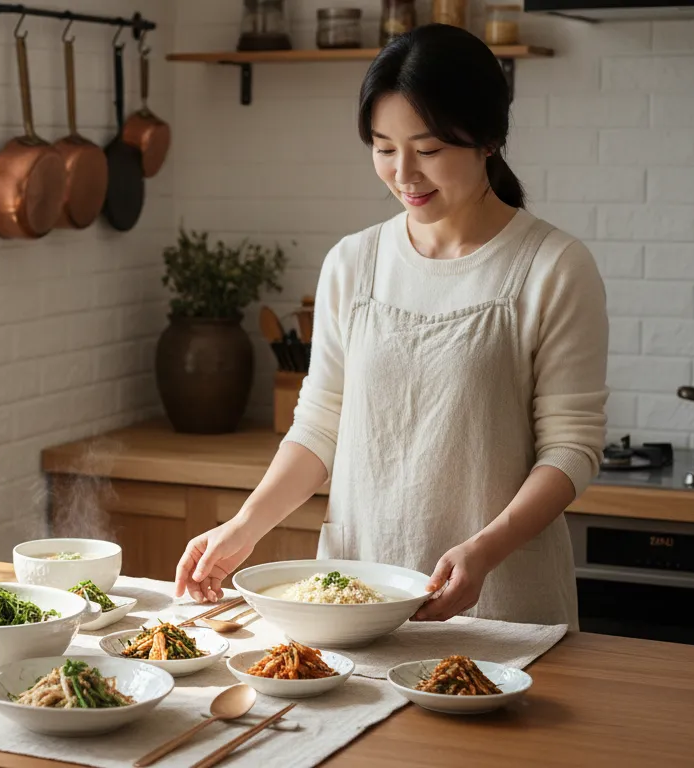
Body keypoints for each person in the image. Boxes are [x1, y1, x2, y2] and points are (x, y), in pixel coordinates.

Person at [173, 24, 608, 628]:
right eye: (383, 147)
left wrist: (486, 551)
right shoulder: (353, 263)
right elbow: (321, 423)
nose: (404, 173)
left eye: (428, 150)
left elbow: (571, 447)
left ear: (488, 139)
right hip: (353, 601)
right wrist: (244, 526)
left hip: (502, 607)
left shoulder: (552, 267)